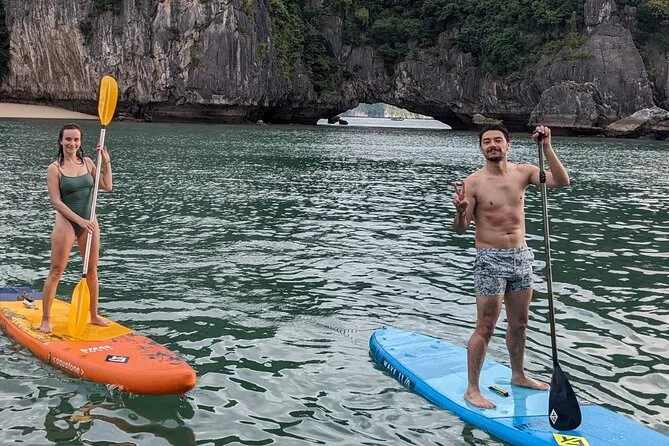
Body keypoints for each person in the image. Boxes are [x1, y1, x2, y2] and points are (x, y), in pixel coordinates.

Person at [452, 124, 570, 409]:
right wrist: (460, 212)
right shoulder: (473, 183)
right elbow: (460, 229)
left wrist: (546, 147)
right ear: (481, 148)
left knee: (520, 323)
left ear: (508, 145)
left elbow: (561, 181)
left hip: (521, 257)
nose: (492, 145)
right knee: (486, 326)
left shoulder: (524, 172)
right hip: (489, 259)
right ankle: (472, 389)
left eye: (498, 140)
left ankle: (518, 375)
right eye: (487, 141)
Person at [39, 123, 113, 334]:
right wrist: (79, 221)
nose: (72, 143)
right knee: (56, 270)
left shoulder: (88, 162)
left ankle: (94, 315)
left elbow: (107, 186)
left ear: (80, 142)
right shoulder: (54, 169)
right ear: (61, 141)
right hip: (67, 224)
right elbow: (56, 202)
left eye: (76, 139)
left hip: (90, 222)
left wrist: (106, 162)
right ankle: (46, 319)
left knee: (92, 270)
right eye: (68, 139)